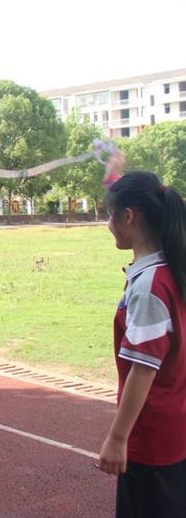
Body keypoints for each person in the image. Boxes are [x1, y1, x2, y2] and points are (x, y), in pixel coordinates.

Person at [97, 149, 186, 518]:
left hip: (150, 439)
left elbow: (142, 370)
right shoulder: (171, 264)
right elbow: (132, 202)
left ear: (129, 218)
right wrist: (112, 179)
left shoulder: (150, 286)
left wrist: (118, 439)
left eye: (110, 217)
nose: (107, 225)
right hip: (174, 428)